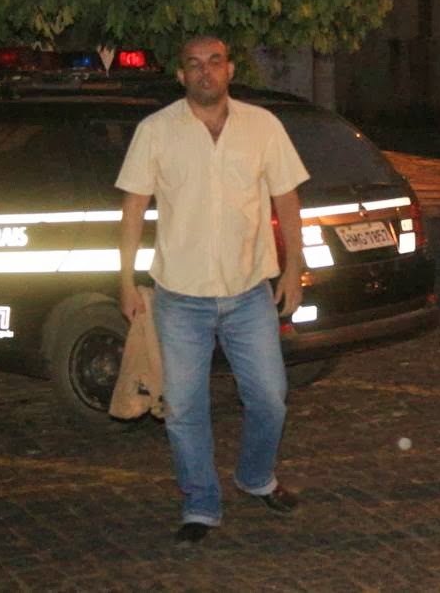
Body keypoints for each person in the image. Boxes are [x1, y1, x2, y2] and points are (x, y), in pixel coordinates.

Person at [116, 35, 310, 546]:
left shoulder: (263, 126)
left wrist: (294, 267)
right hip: (180, 297)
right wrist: (125, 280)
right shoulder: (156, 131)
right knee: (184, 410)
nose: (206, 71)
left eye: (215, 62)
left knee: (270, 398)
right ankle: (201, 504)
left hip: (249, 292)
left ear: (230, 70)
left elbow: (287, 198)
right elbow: (133, 208)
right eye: (195, 64)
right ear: (181, 75)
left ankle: (256, 476)